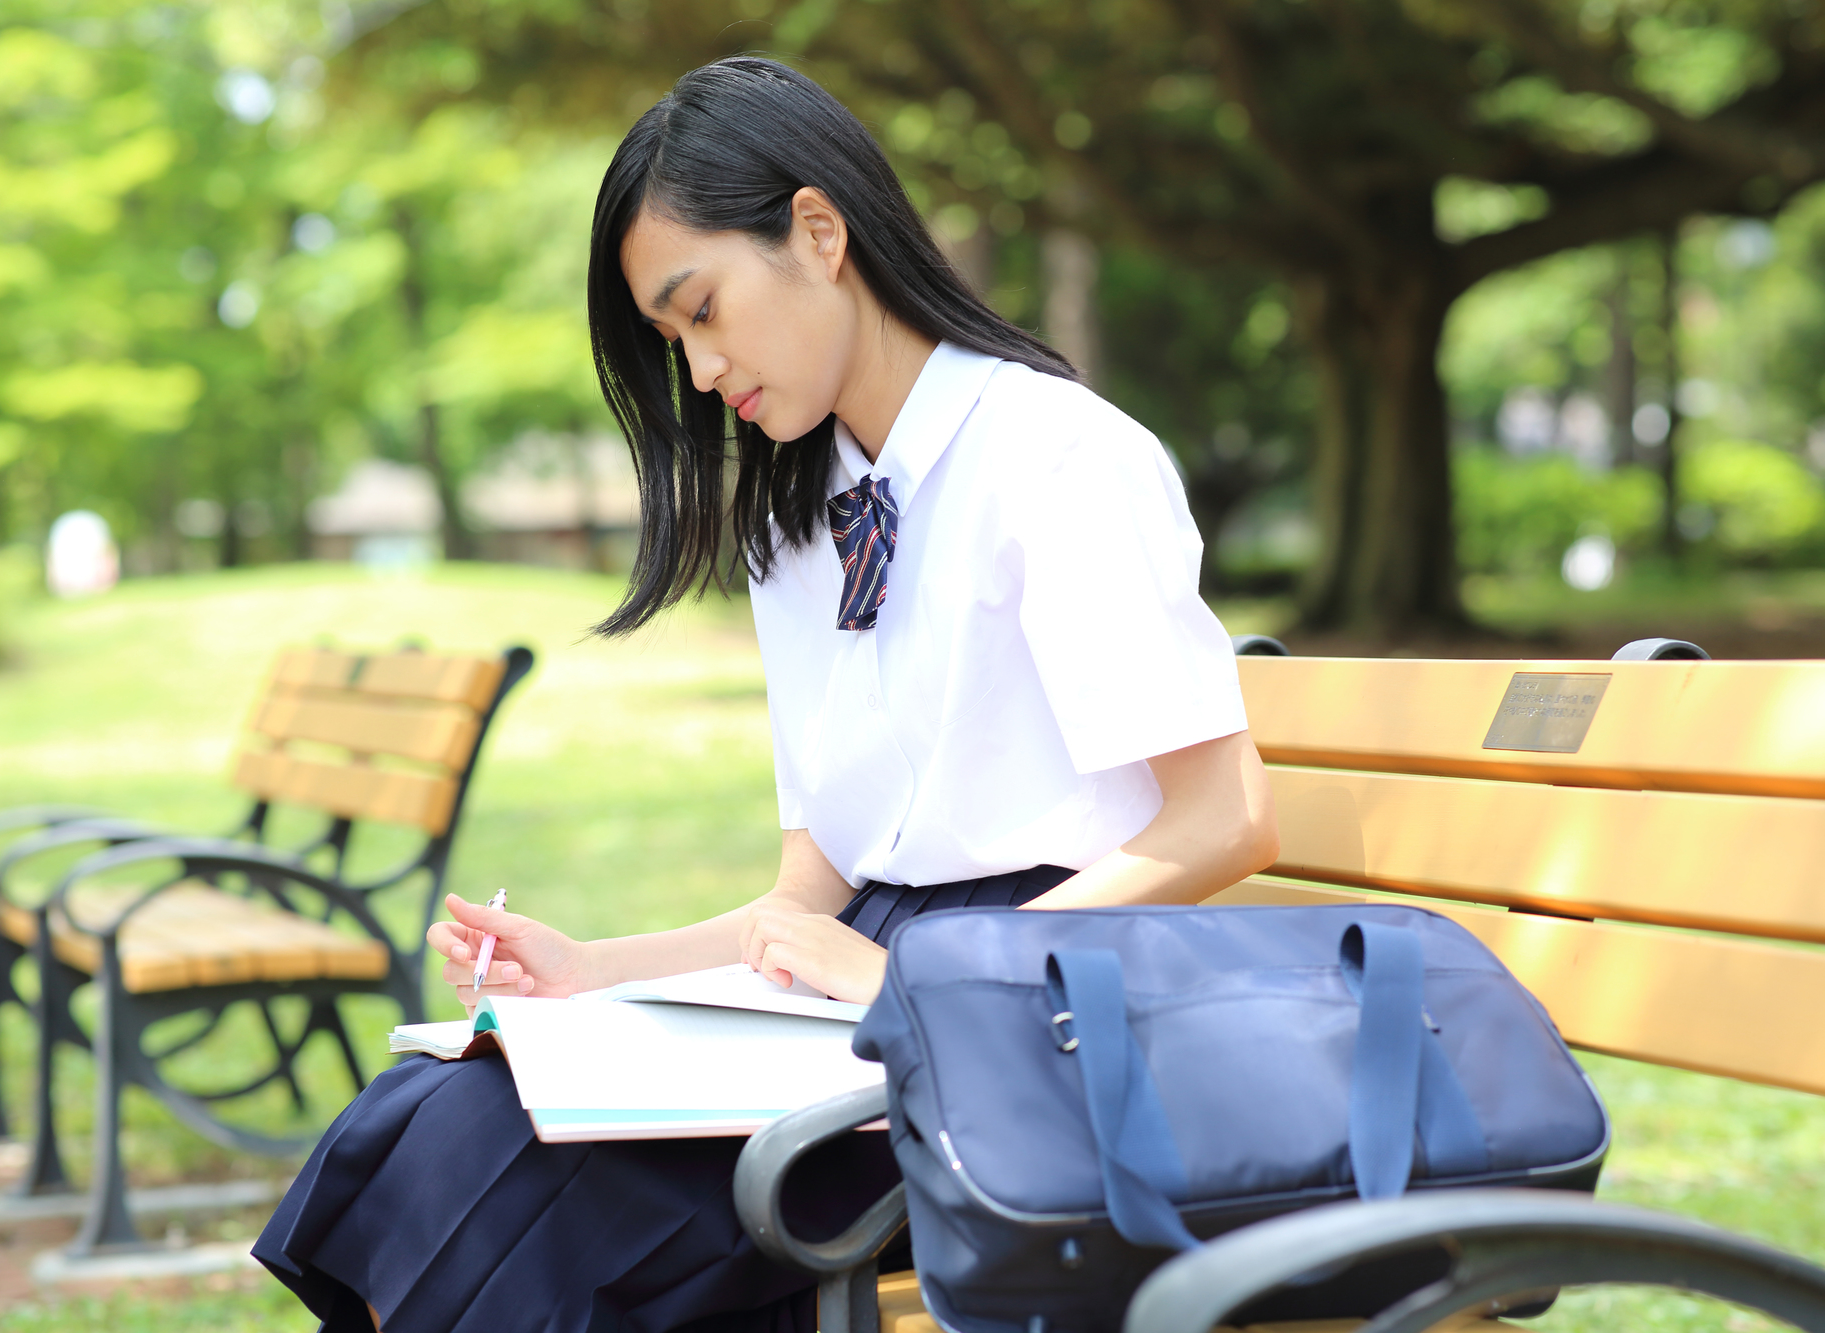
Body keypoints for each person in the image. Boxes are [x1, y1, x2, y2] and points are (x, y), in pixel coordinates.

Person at [253, 54, 1279, 1333]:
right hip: (869, 990)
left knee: (540, 1202)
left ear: (816, 229)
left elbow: (1222, 820)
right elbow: (815, 892)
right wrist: (588, 973)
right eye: (671, 339)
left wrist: (932, 981)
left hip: (1038, 1018)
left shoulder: (1055, 458)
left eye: (702, 312)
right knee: (431, 1121)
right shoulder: (797, 523)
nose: (697, 372)